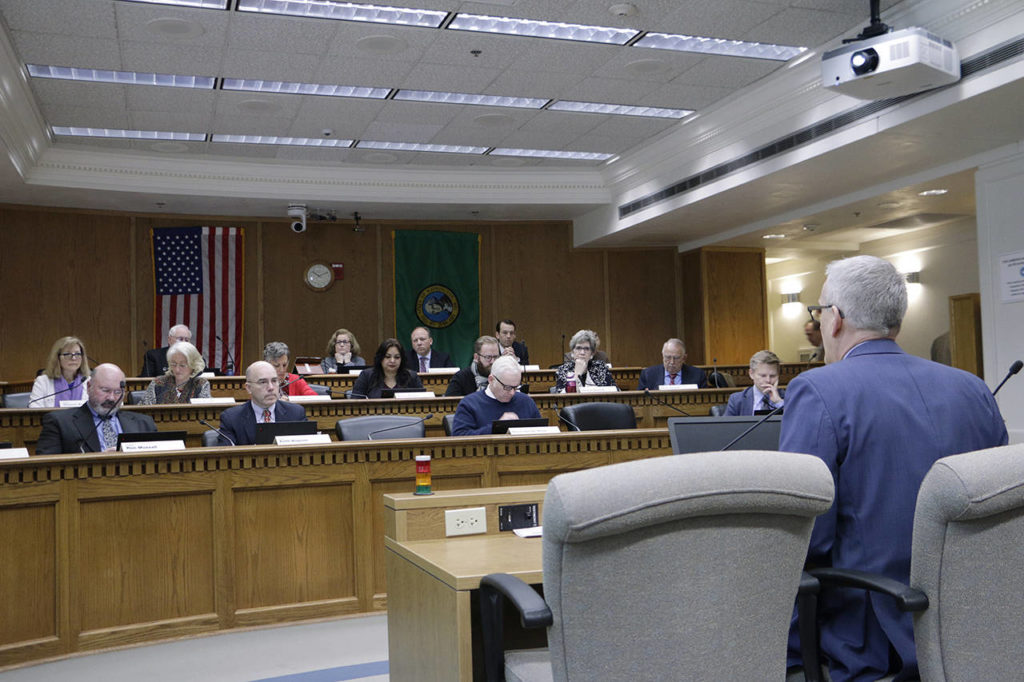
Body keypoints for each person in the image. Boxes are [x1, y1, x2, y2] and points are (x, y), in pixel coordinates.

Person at [780, 255, 1007, 681]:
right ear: (895, 324)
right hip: (976, 629)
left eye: (818, 311)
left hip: (872, 639)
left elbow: (805, 538)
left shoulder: (817, 390)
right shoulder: (972, 388)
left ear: (835, 320)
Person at [36, 363, 157, 454]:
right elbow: (46, 468)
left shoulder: (144, 424)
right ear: (89, 387)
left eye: (117, 392)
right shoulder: (60, 423)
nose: (111, 398)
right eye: (105, 390)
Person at [217, 361, 307, 446]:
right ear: (248, 388)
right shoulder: (231, 418)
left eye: (274, 381)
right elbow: (226, 457)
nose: (271, 387)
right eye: (263, 382)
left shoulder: (296, 413)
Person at [452, 355, 543, 435]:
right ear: (491, 380)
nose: (512, 392)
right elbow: (459, 439)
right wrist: (497, 427)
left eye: (516, 387)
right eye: (507, 387)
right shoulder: (469, 404)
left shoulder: (526, 402)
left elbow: (542, 434)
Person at [139, 341, 211, 405]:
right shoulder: (158, 383)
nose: (177, 369)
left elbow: (205, 413)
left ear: (193, 366)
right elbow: (143, 411)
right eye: (174, 364)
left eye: (182, 365)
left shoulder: (201, 384)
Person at [29, 336, 92, 407]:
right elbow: (34, 409)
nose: (74, 358)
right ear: (57, 358)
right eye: (67, 354)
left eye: (77, 354)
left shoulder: (89, 381)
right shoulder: (43, 381)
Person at [353, 338, 424, 398]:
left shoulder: (412, 377)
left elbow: (423, 402)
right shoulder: (366, 376)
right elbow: (355, 403)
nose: (392, 361)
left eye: (397, 357)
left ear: (402, 359)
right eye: (387, 357)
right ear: (380, 358)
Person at [724, 350, 784, 415]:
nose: (768, 380)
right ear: (751, 374)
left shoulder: (788, 398)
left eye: (772, 376)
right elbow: (725, 425)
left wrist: (778, 402)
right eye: (763, 376)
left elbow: (794, 421)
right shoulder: (736, 400)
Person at [637, 338, 707, 390]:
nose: (671, 362)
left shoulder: (698, 375)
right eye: (668, 357)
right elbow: (640, 401)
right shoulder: (648, 374)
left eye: (676, 358)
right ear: (662, 356)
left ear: (684, 358)